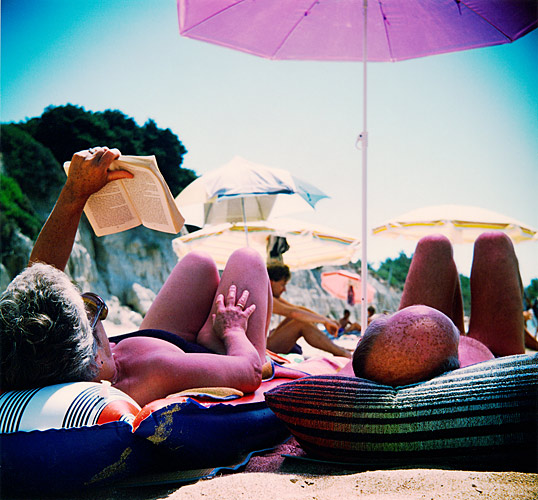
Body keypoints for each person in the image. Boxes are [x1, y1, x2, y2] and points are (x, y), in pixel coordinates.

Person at [0, 147, 271, 407]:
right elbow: (249, 373)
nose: (97, 314)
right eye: (93, 312)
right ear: (92, 358)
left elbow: (42, 274)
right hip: (218, 354)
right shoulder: (148, 373)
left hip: (166, 342)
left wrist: (75, 192)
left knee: (198, 262)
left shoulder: (40, 360)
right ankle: (245, 348)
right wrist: (233, 332)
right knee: (247, 259)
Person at [349, 232, 537, 386]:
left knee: (433, 244)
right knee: (494, 241)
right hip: (492, 359)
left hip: (420, 364)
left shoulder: (339, 388)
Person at [266, 263, 351, 359]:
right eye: (282, 285)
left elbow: (297, 309)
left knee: (298, 319)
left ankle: (339, 350)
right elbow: (293, 313)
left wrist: (325, 319)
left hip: (266, 343)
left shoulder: (270, 297)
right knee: (300, 323)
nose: (284, 289)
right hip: (263, 349)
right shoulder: (264, 297)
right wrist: (324, 321)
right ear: (271, 282)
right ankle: (342, 353)